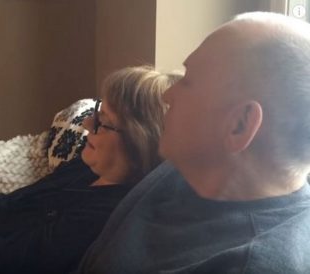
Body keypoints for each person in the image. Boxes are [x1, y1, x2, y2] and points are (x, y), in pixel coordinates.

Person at [75, 11, 310, 274]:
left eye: (188, 81)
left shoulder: (250, 264)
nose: (167, 95)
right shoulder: (189, 166)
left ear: (240, 125)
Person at [0, 66, 182, 273]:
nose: (84, 125)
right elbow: (10, 206)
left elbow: (0, 262)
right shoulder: (86, 168)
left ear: (136, 143)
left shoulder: (108, 221)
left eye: (101, 121)